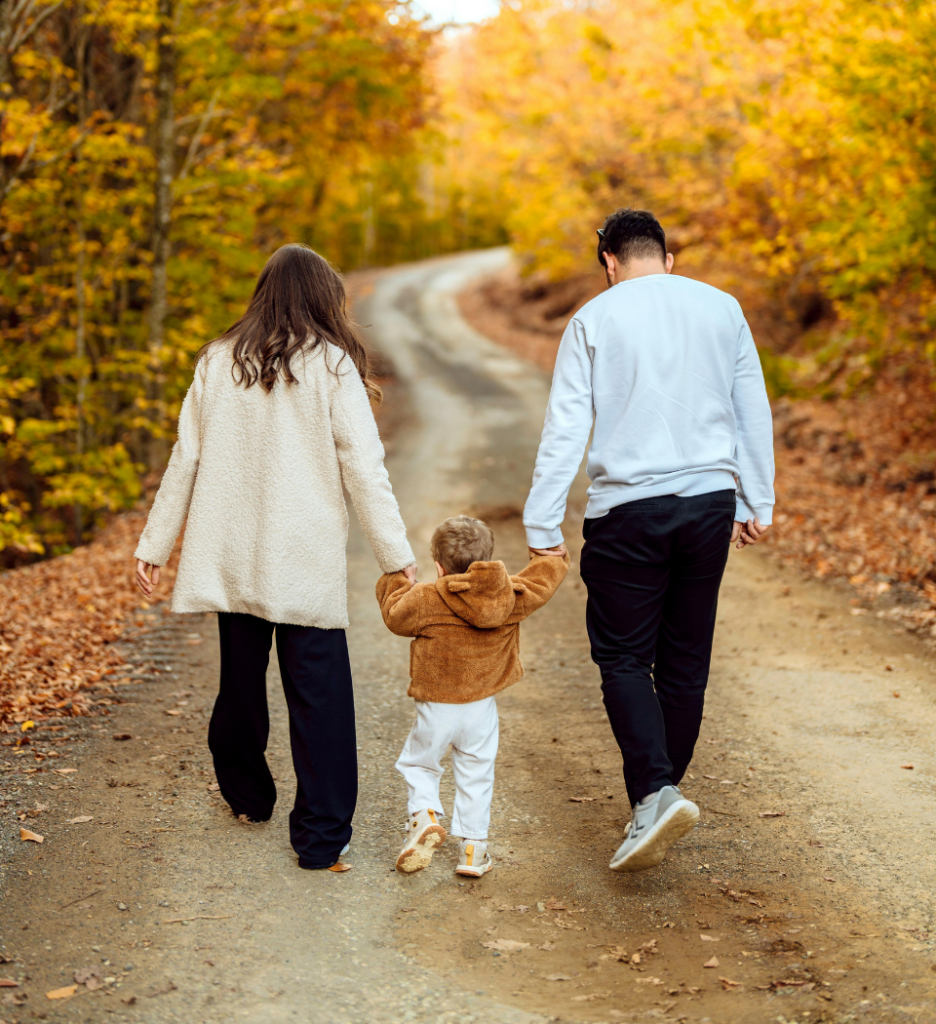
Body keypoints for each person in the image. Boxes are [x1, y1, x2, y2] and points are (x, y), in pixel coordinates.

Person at [132, 244, 416, 871]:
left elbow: (185, 458)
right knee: (320, 696)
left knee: (240, 680)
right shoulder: (332, 365)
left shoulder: (217, 360)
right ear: (323, 297)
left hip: (232, 554)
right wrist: (396, 554)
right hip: (302, 558)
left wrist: (155, 543)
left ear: (263, 294)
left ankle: (247, 796)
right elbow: (364, 468)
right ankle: (320, 838)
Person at [523, 208, 775, 873]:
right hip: (709, 504)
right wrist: (757, 499)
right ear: (666, 258)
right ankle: (660, 794)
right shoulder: (722, 308)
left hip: (628, 510)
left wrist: (542, 525)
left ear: (609, 262)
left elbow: (565, 427)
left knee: (625, 657)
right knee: (685, 662)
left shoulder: (593, 319)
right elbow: (751, 408)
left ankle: (655, 794)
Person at [376, 514, 568, 877]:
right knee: (476, 772)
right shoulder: (507, 595)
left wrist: (398, 579)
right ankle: (473, 850)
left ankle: (424, 816)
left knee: (419, 764)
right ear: (487, 559)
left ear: (438, 566)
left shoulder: (426, 598)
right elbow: (540, 583)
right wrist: (551, 556)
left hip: (437, 706)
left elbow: (395, 616)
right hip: (481, 708)